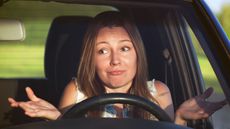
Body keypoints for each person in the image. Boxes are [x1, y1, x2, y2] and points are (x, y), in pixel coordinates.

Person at [8, 11, 227, 126]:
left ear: (137, 53)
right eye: (103, 51)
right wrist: (57, 119)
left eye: (124, 49)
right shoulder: (76, 92)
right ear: (90, 58)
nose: (115, 60)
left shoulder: (158, 92)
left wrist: (179, 118)